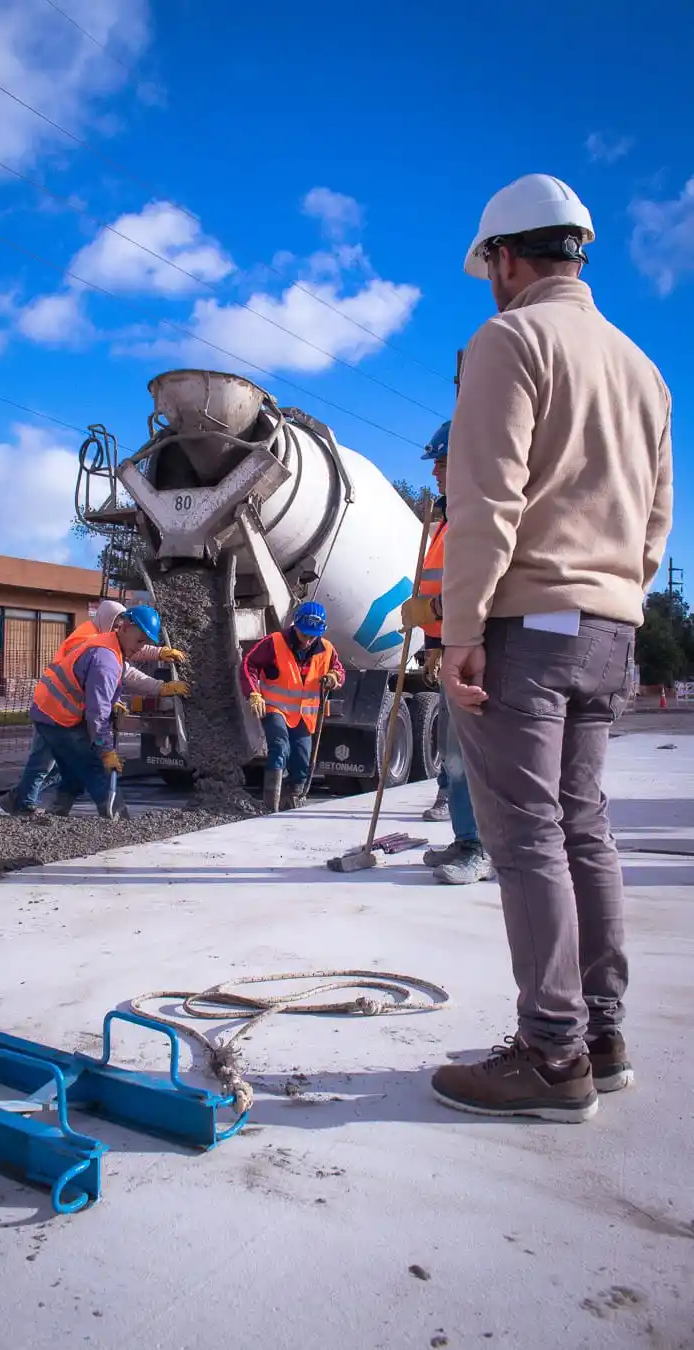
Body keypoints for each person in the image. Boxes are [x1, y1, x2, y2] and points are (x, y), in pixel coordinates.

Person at [432, 174, 672, 1122]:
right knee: (584, 828)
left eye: (488, 263)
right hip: (609, 628)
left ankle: (549, 1055)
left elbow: (484, 500)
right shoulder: (643, 367)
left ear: (505, 257)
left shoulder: (511, 338)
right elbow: (656, 521)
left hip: (526, 628)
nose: (488, 280)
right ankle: (600, 1038)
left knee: (526, 835)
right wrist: (616, 598)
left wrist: (460, 634)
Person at [401, 422, 493, 884]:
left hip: (482, 656)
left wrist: (431, 608)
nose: (435, 471)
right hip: (455, 649)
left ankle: (482, 847)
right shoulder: (449, 518)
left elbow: (485, 589)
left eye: (442, 462)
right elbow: (444, 582)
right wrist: (435, 642)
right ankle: (466, 839)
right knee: (454, 758)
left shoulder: (480, 515)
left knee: (473, 759)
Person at [3, 599, 189, 815]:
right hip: (58, 712)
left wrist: (158, 655)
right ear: (121, 626)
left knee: (61, 765)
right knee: (89, 764)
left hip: (53, 706)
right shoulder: (102, 655)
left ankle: (35, 805)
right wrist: (107, 750)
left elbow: (130, 652)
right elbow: (99, 710)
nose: (140, 646)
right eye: (140, 640)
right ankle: (114, 812)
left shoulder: (109, 638)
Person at [241, 601, 344, 812]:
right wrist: (254, 693)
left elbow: (339, 670)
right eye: (304, 634)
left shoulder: (327, 649)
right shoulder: (274, 642)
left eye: (312, 636)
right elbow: (248, 664)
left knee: (301, 759)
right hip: (274, 707)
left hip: (304, 715)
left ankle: (293, 796)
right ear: (295, 626)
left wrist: (334, 677)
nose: (307, 640)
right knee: (280, 746)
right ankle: (271, 803)